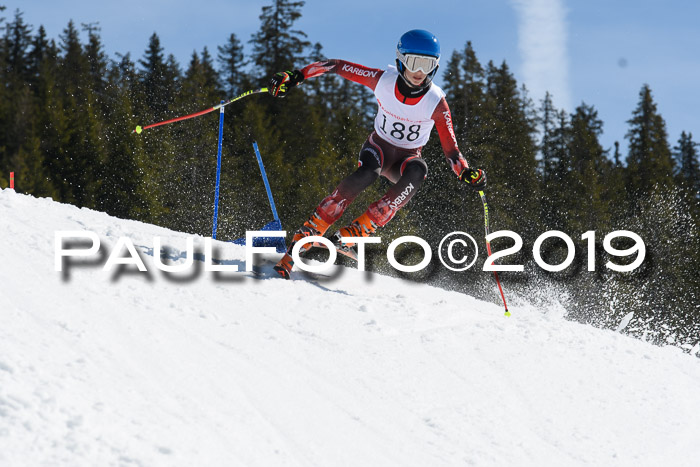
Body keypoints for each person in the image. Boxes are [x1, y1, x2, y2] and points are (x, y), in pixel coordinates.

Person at [268, 29, 487, 279]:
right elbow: (336, 66)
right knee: (367, 175)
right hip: (378, 149)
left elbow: (452, 153)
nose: (419, 72)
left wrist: (467, 173)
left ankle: (356, 232)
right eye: (414, 62)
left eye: (427, 65)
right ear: (401, 59)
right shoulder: (382, 80)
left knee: (419, 170)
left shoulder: (436, 102)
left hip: (404, 161)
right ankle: (307, 235)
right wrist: (298, 75)